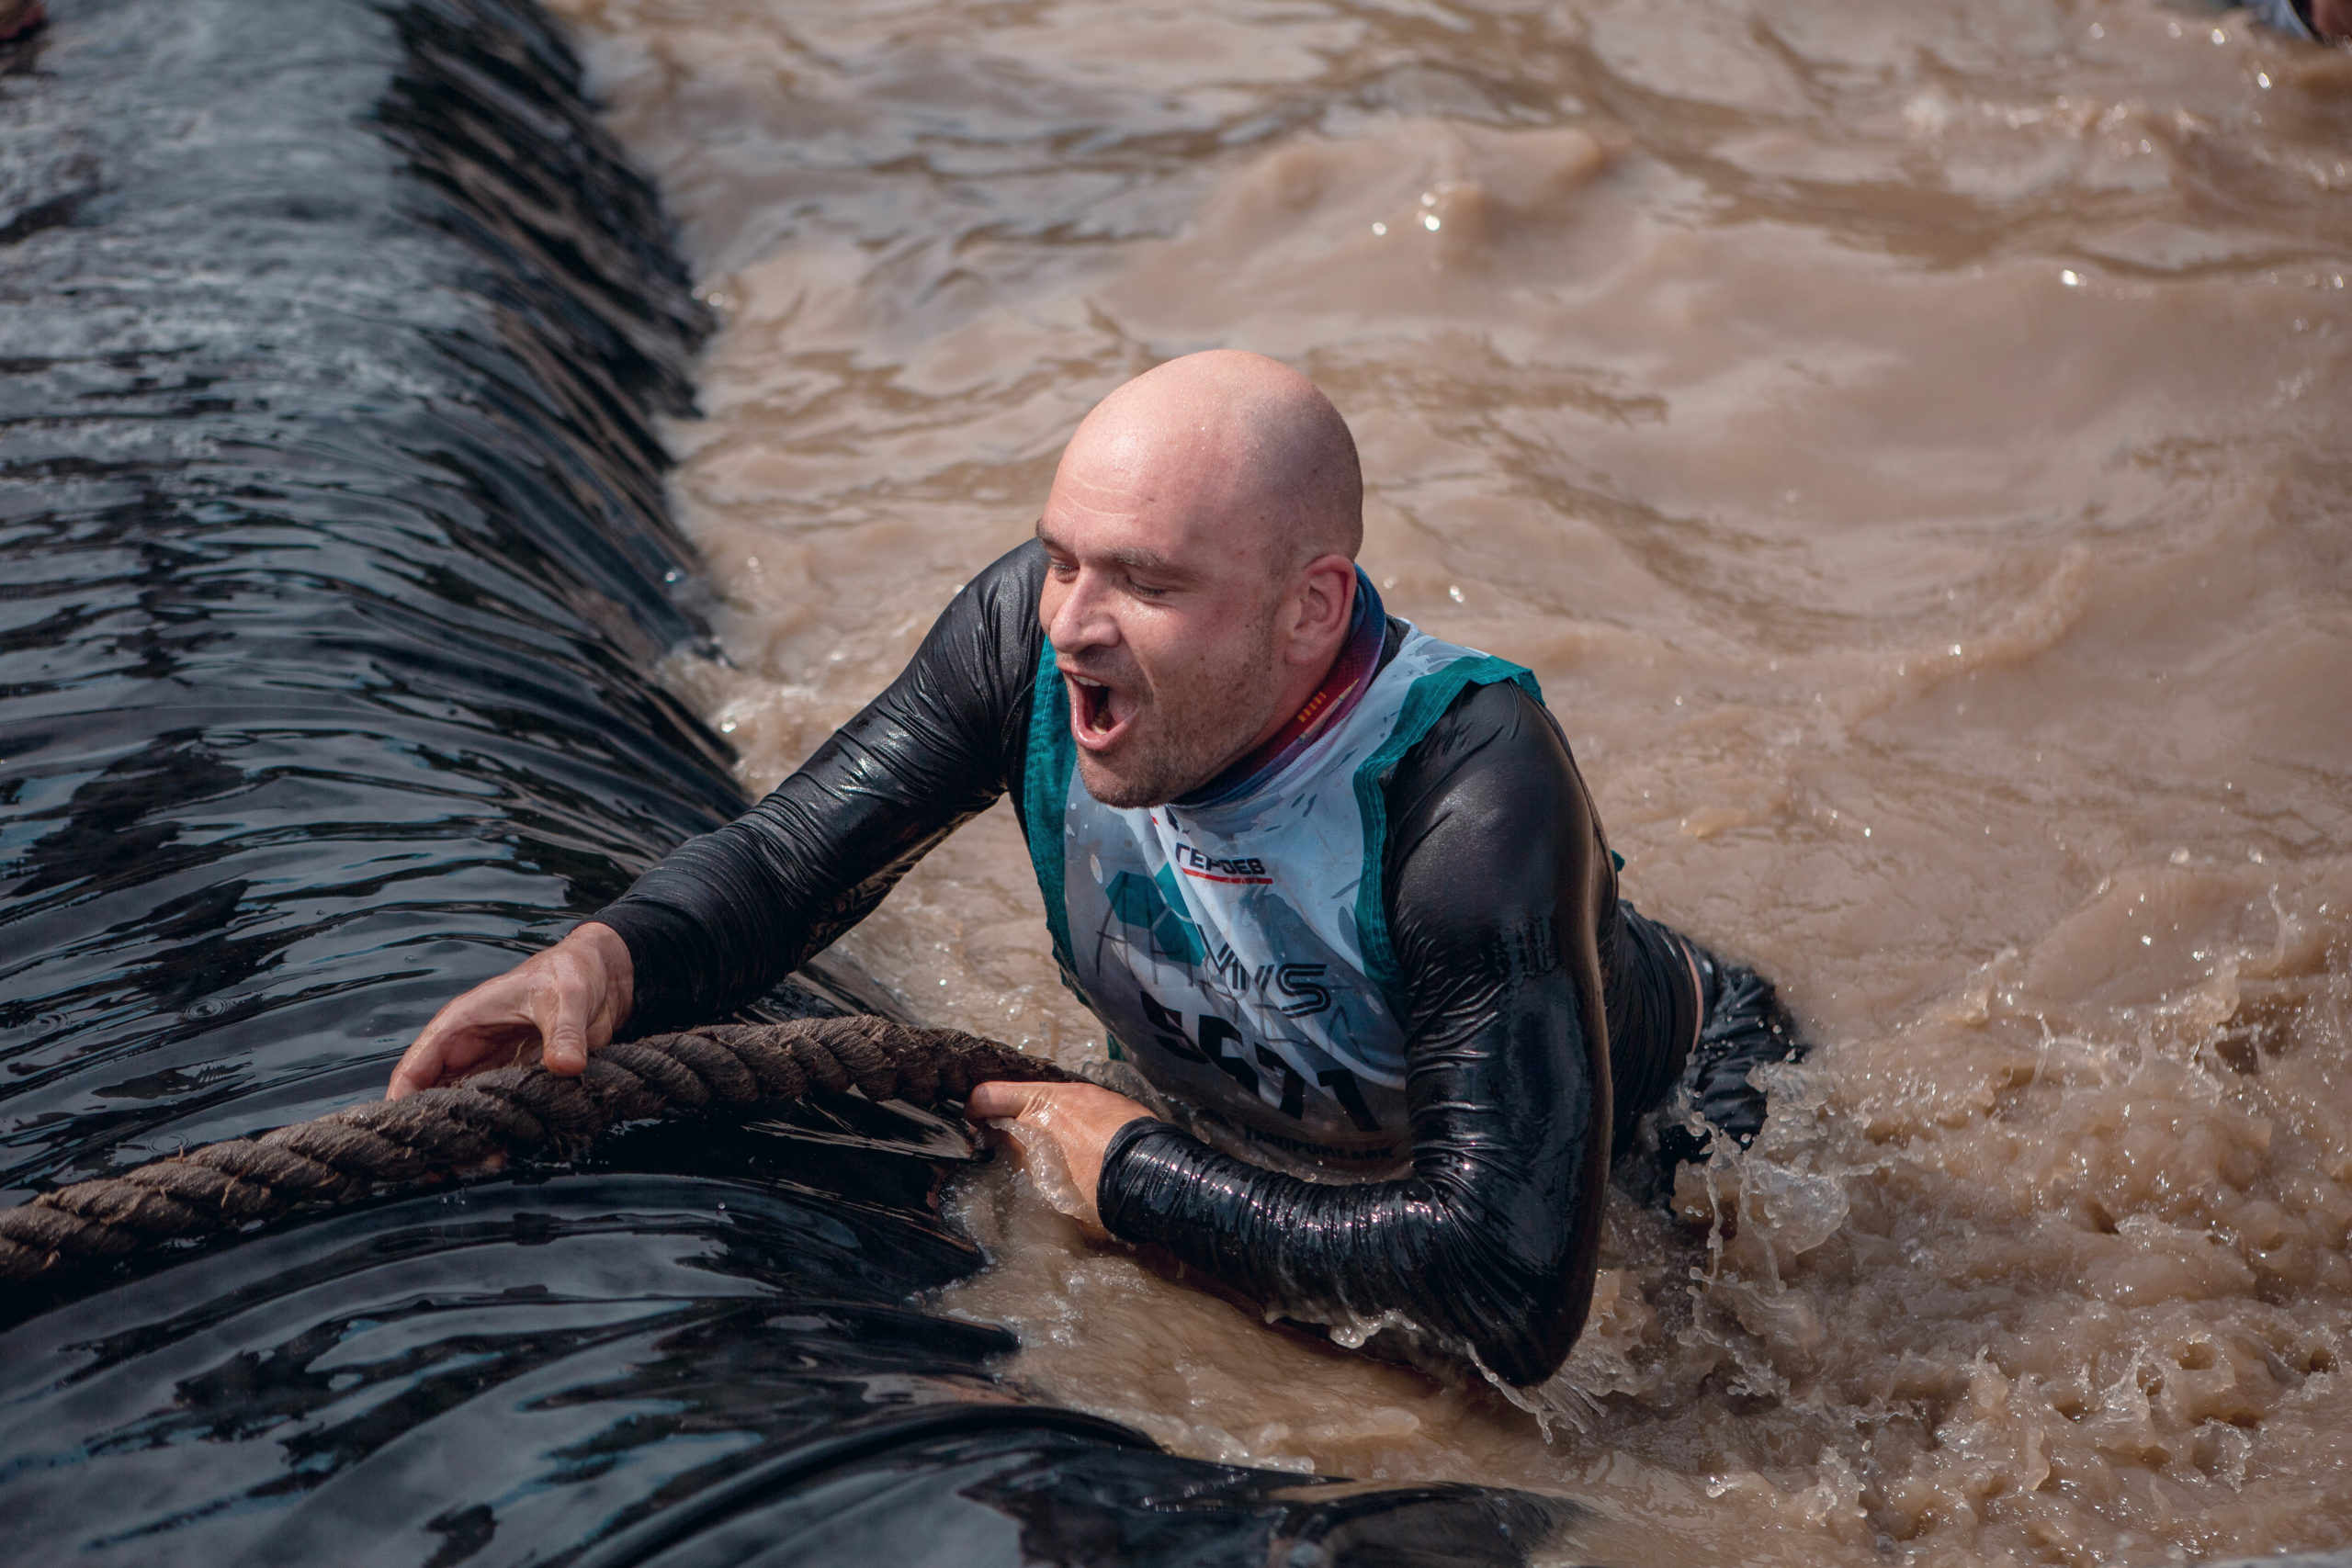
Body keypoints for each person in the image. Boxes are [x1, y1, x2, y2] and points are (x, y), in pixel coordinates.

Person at [386, 351, 1801, 1390]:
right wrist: (601, 964)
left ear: (1313, 609)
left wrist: (1128, 1171)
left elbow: (1508, 1287)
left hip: (1664, 1111)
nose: (1071, 622)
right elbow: (787, 862)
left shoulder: (1468, 793)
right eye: (1062, 559)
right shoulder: (1023, 639)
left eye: (1144, 581)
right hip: (1299, 1136)